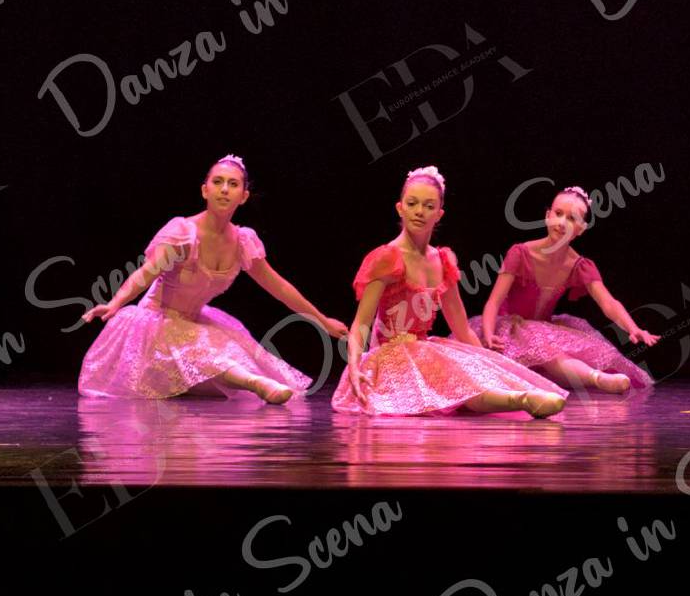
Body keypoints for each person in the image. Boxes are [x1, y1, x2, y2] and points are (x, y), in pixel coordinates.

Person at [78, 155, 347, 404]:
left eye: (233, 184)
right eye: (217, 182)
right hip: (156, 326)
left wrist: (322, 321)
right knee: (207, 354)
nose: (224, 189)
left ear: (244, 196)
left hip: (194, 322)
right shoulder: (184, 233)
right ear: (205, 190)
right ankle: (256, 384)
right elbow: (146, 272)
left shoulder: (242, 241)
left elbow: (280, 287)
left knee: (230, 359)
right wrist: (115, 303)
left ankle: (249, 381)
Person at [335, 165, 567, 417]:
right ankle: (521, 400)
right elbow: (361, 324)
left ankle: (518, 395)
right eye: (412, 204)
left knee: (461, 372)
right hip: (390, 360)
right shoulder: (387, 258)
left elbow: (462, 329)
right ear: (400, 208)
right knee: (450, 380)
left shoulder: (442, 261)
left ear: (439, 214)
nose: (419, 211)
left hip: (423, 351)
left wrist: (490, 365)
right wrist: (355, 365)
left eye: (428, 206)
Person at [480, 185, 660, 394]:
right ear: (547, 216)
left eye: (572, 218)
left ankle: (596, 377)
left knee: (550, 351)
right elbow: (494, 301)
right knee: (544, 348)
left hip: (545, 330)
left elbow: (608, 302)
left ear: (580, 229)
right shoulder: (520, 253)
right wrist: (488, 333)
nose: (562, 223)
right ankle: (597, 378)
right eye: (558, 214)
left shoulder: (579, 265)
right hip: (509, 331)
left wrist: (632, 328)